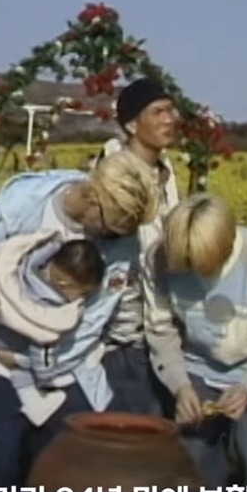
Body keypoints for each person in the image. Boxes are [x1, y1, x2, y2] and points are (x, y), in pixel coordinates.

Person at [0, 149, 160, 489]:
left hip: (65, 368)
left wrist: (36, 360)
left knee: (61, 477)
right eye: (111, 229)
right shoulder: (24, 203)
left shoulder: (121, 240)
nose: (115, 241)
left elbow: (93, 320)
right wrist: (4, 308)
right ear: (92, 198)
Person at [143, 193, 247, 489]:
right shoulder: (159, 259)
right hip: (196, 370)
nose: (193, 273)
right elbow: (160, 330)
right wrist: (180, 386)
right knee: (193, 467)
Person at [89, 77, 183, 416]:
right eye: (158, 112)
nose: (170, 119)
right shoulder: (114, 172)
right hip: (123, 336)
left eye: (171, 110)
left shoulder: (167, 172)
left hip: (162, 332)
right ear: (131, 123)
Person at [0, 232, 106, 425]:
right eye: (84, 293)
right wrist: (24, 363)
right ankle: (37, 403)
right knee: (30, 377)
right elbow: (43, 361)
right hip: (8, 346)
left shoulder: (27, 267)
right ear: (64, 284)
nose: (83, 299)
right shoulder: (47, 315)